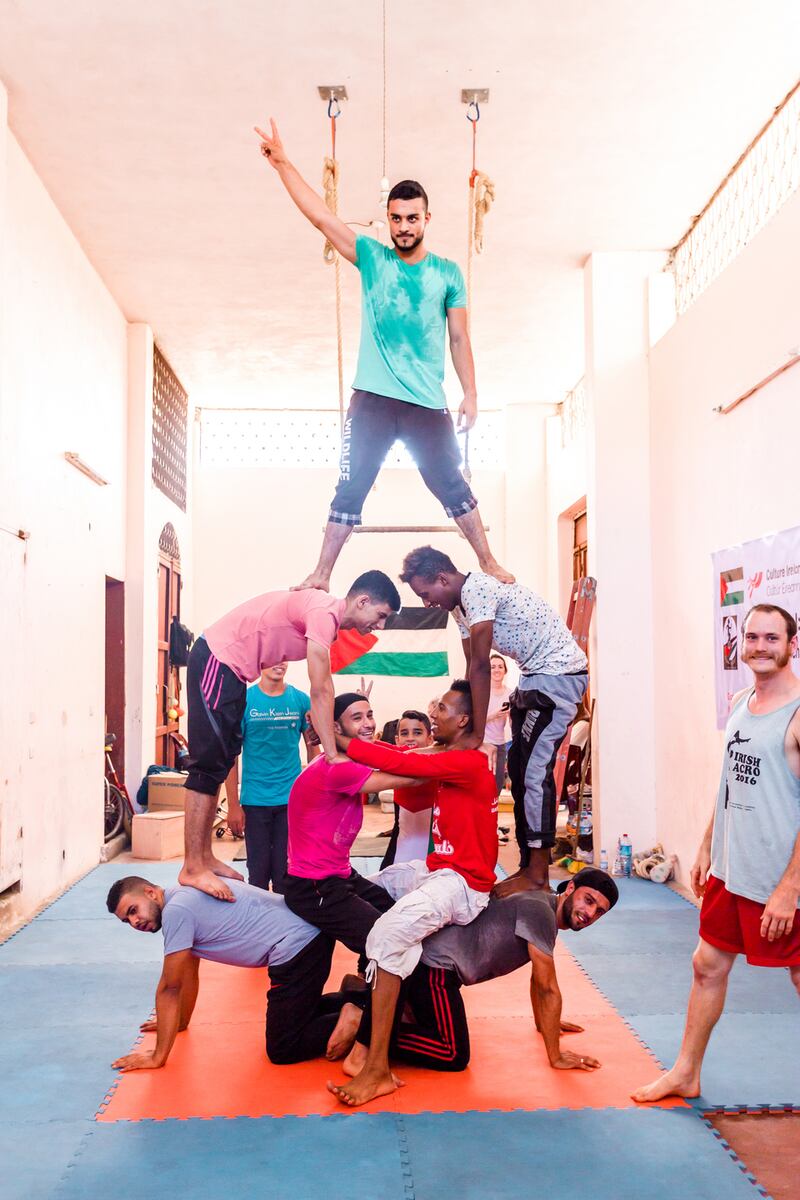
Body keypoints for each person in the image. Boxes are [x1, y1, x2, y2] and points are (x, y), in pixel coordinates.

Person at [253, 119, 513, 592]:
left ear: (426, 220)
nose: (404, 227)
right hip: (371, 401)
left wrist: (471, 394)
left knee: (451, 485)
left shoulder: (448, 274)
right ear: (388, 219)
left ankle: (489, 560)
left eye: (412, 218)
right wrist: (284, 165)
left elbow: (459, 339)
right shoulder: (372, 257)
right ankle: (322, 573)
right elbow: (321, 217)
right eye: (396, 218)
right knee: (350, 486)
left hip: (426, 405)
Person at [633, 604, 800, 1104]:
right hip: (734, 869)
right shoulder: (744, 701)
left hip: (781, 877)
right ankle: (685, 1072)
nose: (761, 646)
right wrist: (708, 843)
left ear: (793, 644)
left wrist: (790, 888)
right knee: (707, 965)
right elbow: (730, 781)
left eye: (773, 638)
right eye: (753, 637)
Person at [180, 571, 400, 901]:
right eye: (381, 615)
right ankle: (192, 865)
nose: (380, 626)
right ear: (362, 601)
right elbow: (321, 686)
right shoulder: (324, 615)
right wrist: (332, 754)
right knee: (207, 765)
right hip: (217, 657)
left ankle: (205, 856)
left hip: (235, 672)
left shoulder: (323, 608)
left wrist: (323, 570)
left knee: (220, 760)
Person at [328, 680, 498, 1106]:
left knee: (387, 934)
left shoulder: (467, 762)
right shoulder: (452, 759)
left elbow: (393, 758)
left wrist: (338, 739)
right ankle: (368, 996)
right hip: (436, 869)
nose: (433, 712)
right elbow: (403, 771)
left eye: (441, 709)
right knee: (366, 889)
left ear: (462, 720)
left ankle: (377, 1064)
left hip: (463, 885)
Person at [399, 546, 588, 892]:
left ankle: (539, 875)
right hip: (535, 677)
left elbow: (483, 664)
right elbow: (472, 667)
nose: (427, 603)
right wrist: (463, 723)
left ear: (443, 578)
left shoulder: (477, 591)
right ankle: (528, 866)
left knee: (534, 773)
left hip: (558, 676)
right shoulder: (458, 606)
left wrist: (473, 732)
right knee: (517, 772)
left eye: (426, 594)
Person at [343, 869, 618, 1081]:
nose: (590, 913)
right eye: (588, 900)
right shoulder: (540, 911)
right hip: (433, 970)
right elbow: (547, 987)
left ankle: (360, 1001)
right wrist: (555, 1056)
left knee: (444, 1040)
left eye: (599, 911)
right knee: (452, 1054)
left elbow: (538, 979)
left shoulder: (542, 909)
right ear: (570, 889)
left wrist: (545, 1023)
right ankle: (366, 1025)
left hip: (430, 968)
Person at [106, 876, 367, 1070]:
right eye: (126, 920)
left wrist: (157, 1057)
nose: (134, 922)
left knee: (283, 1047)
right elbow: (189, 971)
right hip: (309, 936)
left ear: (150, 893)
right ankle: (353, 999)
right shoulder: (183, 895)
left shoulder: (177, 911)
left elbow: (170, 987)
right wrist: (179, 1022)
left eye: (133, 910)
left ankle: (361, 1015)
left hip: (297, 947)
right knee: (299, 1017)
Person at [283, 693, 425, 968]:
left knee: (395, 915)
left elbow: (393, 755)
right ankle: (364, 1004)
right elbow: (414, 777)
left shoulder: (348, 758)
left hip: (340, 874)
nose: (368, 723)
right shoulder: (337, 768)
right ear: (336, 727)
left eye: (370, 714)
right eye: (357, 718)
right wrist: (461, 753)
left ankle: (364, 988)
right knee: (389, 939)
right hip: (313, 886)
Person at [223, 662, 318, 894]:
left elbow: (313, 748)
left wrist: (314, 796)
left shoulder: (300, 700)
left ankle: (284, 925)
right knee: (258, 873)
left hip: (291, 801)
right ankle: (260, 924)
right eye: (273, 657)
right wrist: (233, 806)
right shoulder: (244, 701)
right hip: (255, 801)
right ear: (260, 662)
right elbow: (231, 758)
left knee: (285, 873)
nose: (280, 663)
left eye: (284, 657)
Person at [380, 710, 437, 868]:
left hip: (432, 850)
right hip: (402, 846)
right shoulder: (395, 761)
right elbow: (368, 747)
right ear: (397, 740)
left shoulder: (439, 764)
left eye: (417, 732)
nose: (410, 738)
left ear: (430, 738)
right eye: (405, 733)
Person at [486, 653, 512, 794]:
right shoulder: (482, 692)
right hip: (483, 744)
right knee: (483, 783)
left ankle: (493, 815)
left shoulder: (510, 693)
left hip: (500, 744)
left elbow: (513, 723)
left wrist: (512, 716)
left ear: (505, 671)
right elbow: (473, 721)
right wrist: (493, 716)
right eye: (493, 667)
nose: (496, 670)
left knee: (497, 784)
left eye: (500, 667)